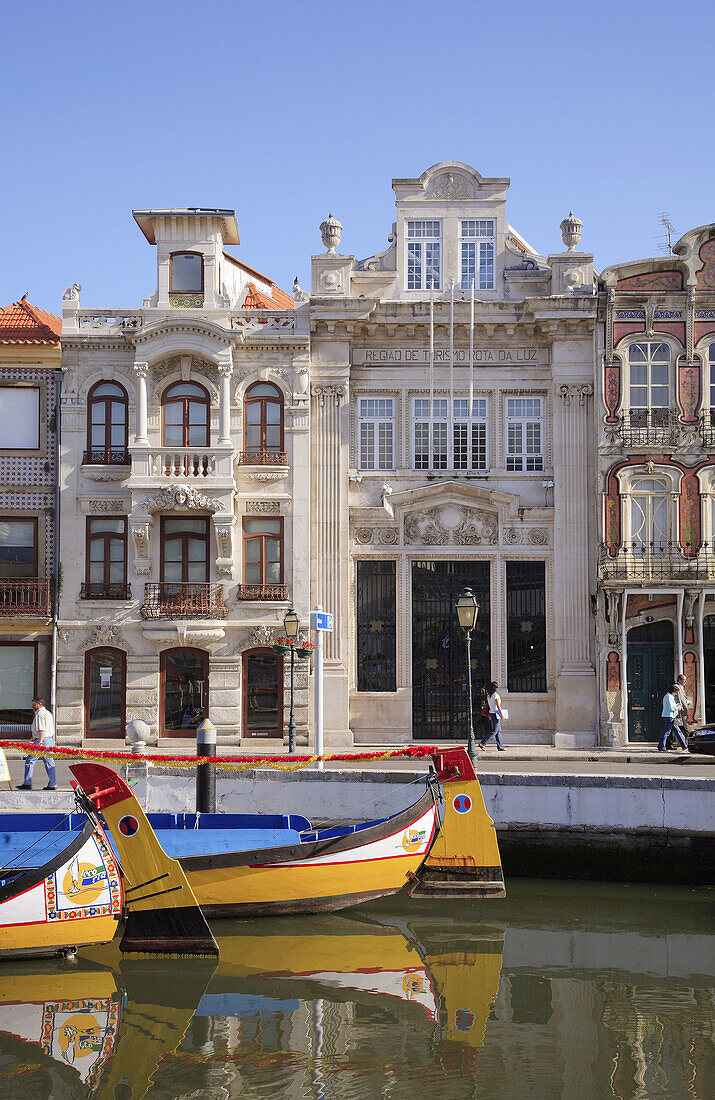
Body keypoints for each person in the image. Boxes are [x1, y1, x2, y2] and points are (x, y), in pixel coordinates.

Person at [18, 697, 57, 790]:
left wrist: (39, 742)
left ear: (39, 704)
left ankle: (27, 782)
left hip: (42, 741)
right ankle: (53, 783)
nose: (32, 706)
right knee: (49, 762)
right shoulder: (48, 713)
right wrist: (35, 737)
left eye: (34, 704)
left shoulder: (40, 714)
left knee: (30, 761)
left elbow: (42, 730)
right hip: (48, 739)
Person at [658, 685, 688, 752]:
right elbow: (671, 707)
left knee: (677, 731)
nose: (676, 694)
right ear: (673, 691)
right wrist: (678, 708)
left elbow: (672, 706)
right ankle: (661, 746)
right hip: (669, 716)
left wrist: (677, 705)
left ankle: (684, 746)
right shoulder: (669, 697)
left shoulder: (670, 696)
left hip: (670, 716)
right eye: (676, 692)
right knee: (667, 732)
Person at [480, 681, 505, 751]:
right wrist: (502, 715)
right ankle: (483, 743)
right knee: (495, 730)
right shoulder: (496, 696)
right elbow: (498, 706)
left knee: (498, 731)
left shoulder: (489, 695)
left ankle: (500, 746)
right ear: (495, 688)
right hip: (495, 713)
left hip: (491, 713)